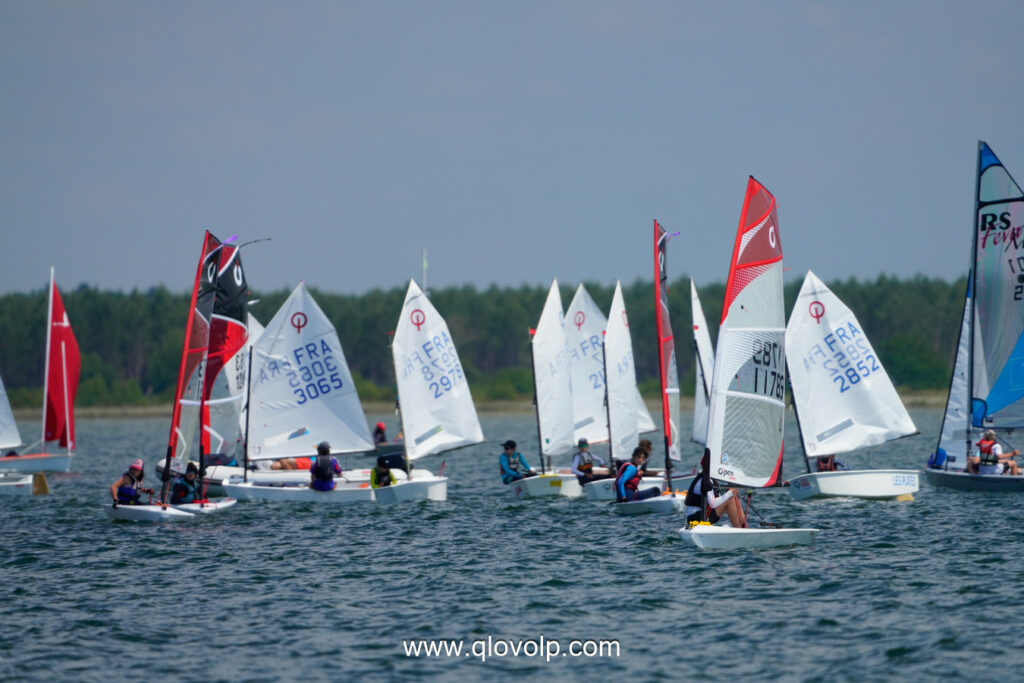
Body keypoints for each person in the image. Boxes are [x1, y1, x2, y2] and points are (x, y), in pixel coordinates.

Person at [684, 449, 747, 528]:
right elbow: (713, 503)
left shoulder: (708, 478)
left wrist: (730, 493)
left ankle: (743, 527)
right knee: (730, 500)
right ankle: (741, 531)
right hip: (697, 519)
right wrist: (730, 493)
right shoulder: (707, 480)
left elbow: (720, 502)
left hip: (698, 517)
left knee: (731, 498)